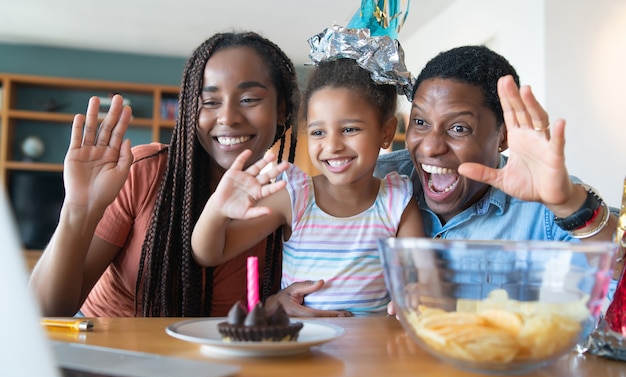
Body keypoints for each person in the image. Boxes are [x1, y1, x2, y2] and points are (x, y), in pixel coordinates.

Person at [29, 32, 301, 317]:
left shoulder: (291, 197)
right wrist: (78, 208)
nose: (228, 117)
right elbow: (45, 311)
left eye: (248, 99)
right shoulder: (143, 173)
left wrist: (271, 307)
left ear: (281, 110)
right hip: (111, 353)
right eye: (209, 102)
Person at [191, 51, 424, 316]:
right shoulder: (295, 196)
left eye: (349, 129)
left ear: (386, 133)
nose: (333, 146)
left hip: (371, 353)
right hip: (300, 351)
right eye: (318, 132)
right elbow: (209, 253)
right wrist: (217, 209)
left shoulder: (398, 201)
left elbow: (416, 284)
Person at [375, 44, 617, 242]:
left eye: (459, 128)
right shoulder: (378, 181)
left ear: (504, 137)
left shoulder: (547, 202)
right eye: (420, 122)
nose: (429, 147)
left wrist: (570, 206)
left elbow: (616, 284)